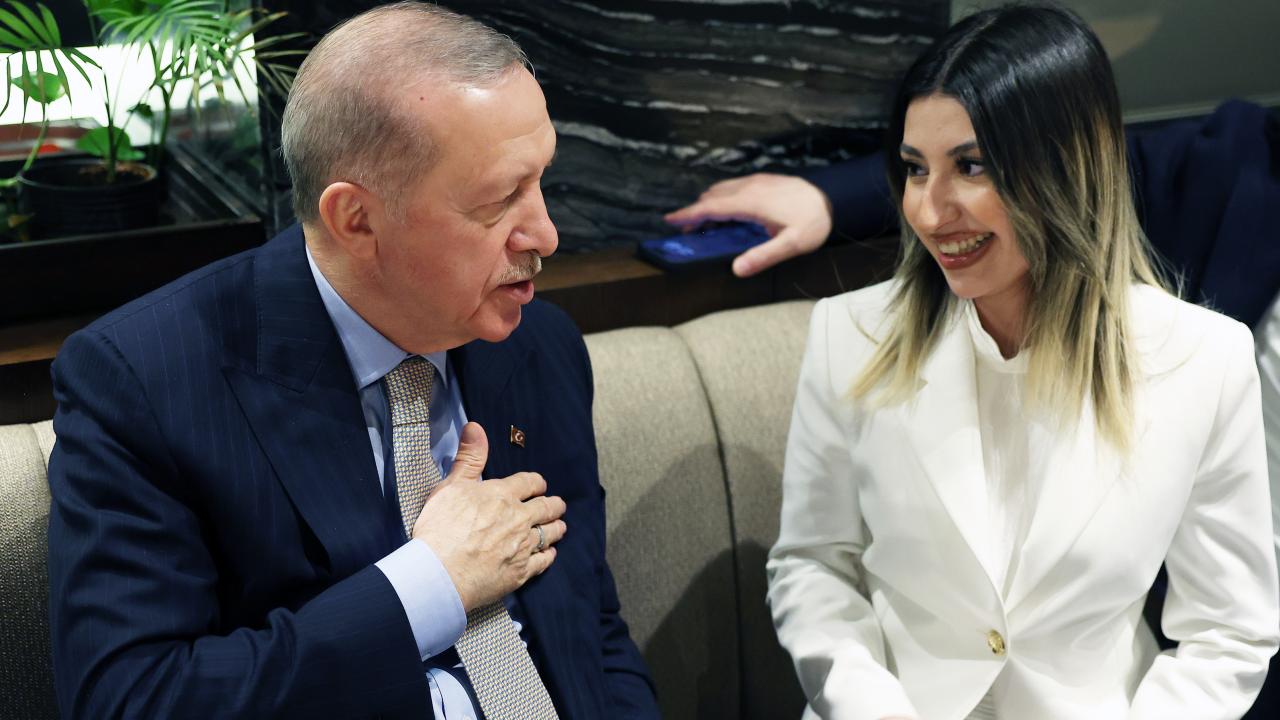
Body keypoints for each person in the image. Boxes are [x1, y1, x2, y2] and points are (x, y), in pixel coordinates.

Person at [45, 3, 659, 718]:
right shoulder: (147, 380)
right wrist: (429, 583)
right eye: (501, 199)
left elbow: (591, 633)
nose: (547, 235)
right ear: (356, 219)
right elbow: (132, 700)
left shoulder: (540, 345)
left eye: (541, 179)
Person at [764, 5, 1279, 719]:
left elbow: (1229, 631)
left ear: (1067, 169)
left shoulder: (1206, 360)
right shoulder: (847, 334)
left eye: (970, 166)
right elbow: (812, 566)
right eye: (915, 169)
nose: (931, 211)